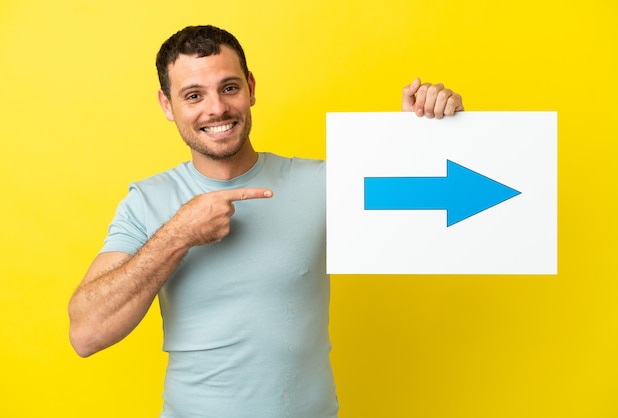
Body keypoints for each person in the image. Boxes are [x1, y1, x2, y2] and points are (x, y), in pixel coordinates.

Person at [68, 25, 464, 417]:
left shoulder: (320, 182)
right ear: (167, 105)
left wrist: (425, 129)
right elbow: (86, 333)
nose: (217, 108)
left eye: (229, 87)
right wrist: (179, 233)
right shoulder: (147, 201)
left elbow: (424, 202)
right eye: (193, 95)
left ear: (251, 88)